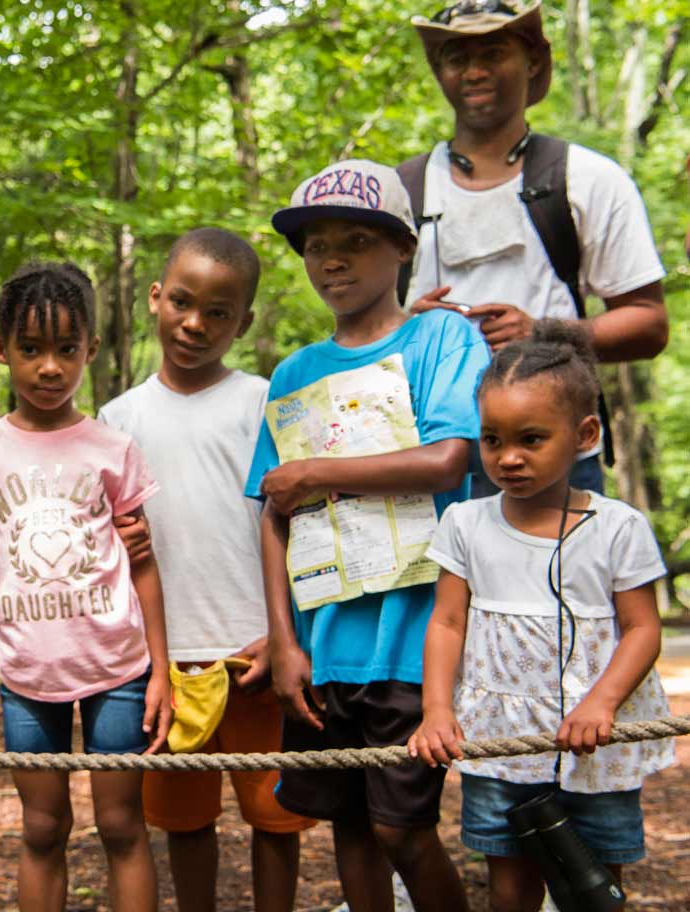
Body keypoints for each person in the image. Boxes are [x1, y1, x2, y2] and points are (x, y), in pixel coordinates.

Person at [247, 159, 491, 912]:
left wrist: (319, 471)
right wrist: (284, 642)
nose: (334, 259)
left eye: (357, 240)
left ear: (403, 250)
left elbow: (450, 458)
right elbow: (273, 510)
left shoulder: (439, 341)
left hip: (414, 640)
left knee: (402, 829)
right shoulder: (293, 374)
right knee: (346, 826)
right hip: (324, 645)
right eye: (318, 246)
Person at [408, 321, 674, 912]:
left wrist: (601, 703)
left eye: (531, 439)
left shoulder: (618, 527)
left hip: (596, 745)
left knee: (595, 886)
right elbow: (447, 623)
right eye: (492, 439)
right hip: (500, 738)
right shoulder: (466, 524)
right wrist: (437, 710)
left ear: (584, 434)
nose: (509, 458)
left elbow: (642, 628)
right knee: (509, 883)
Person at [0, 261, 172, 912]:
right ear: (0, 351)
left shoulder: (114, 448)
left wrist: (160, 671)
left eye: (67, 350)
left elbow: (143, 562)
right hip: (25, 673)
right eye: (32, 349)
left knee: (122, 824)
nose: (50, 367)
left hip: (117, 666)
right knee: (43, 828)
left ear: (90, 352)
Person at [98, 228, 316, 912]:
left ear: (243, 322)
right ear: (156, 299)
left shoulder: (264, 403)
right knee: (184, 822)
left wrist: (289, 635)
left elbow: (298, 523)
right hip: (165, 665)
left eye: (218, 312)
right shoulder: (118, 417)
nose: (195, 323)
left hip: (256, 652)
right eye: (183, 303)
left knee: (275, 820)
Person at [404, 0, 668, 496]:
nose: (475, 71)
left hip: (557, 458)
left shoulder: (589, 179)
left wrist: (542, 332)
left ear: (531, 62)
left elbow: (649, 325)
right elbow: (360, 332)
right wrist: (409, 329)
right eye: (457, 57)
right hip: (429, 458)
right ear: (439, 72)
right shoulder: (403, 191)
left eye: (494, 52)